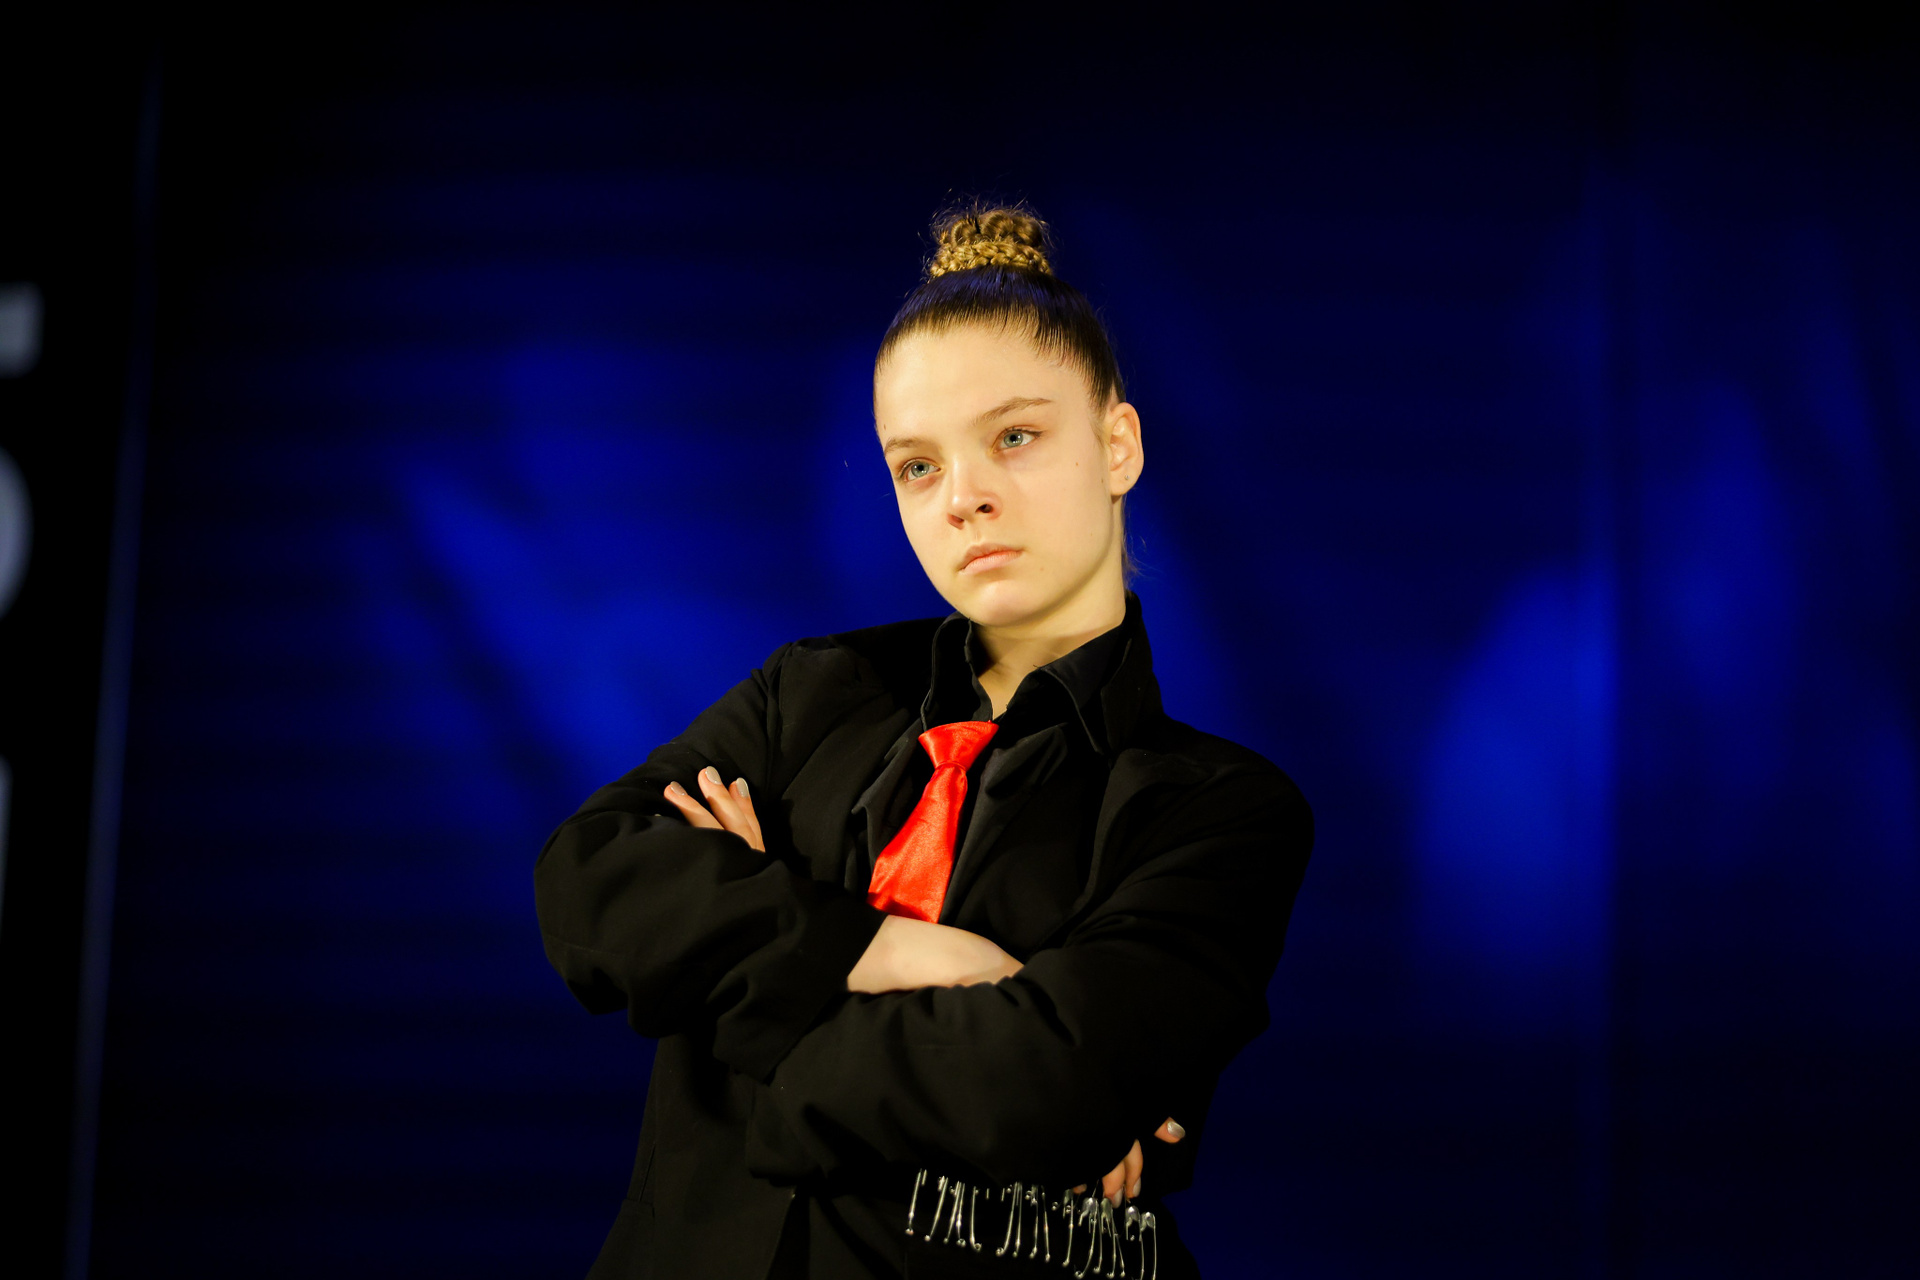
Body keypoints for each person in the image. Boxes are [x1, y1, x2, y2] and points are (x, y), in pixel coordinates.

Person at [534, 205, 1314, 1279]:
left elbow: (1039, 1085)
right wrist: (883, 951)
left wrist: (736, 989)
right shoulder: (807, 694)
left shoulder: (1221, 809)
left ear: (1118, 445)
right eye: (916, 466)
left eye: (1015, 438)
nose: (964, 500)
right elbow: (588, 880)